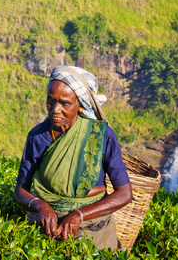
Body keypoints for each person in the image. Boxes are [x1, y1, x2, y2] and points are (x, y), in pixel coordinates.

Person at [13, 65, 132, 249]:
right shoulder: (38, 136)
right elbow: (20, 192)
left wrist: (79, 215)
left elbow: (124, 194)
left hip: (93, 229)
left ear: (81, 105)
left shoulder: (100, 136)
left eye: (65, 103)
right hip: (46, 228)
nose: (55, 109)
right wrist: (41, 206)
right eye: (50, 101)